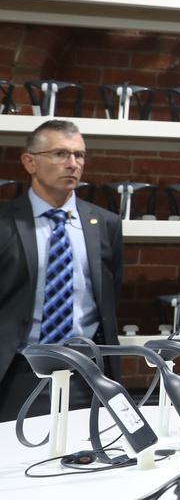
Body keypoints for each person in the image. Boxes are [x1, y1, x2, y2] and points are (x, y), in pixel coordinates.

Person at [0, 120, 124, 421]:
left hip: (86, 371)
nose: (72, 164)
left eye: (79, 155)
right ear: (30, 162)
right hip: (18, 371)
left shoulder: (105, 223)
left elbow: (110, 295)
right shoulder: (5, 221)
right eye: (59, 154)